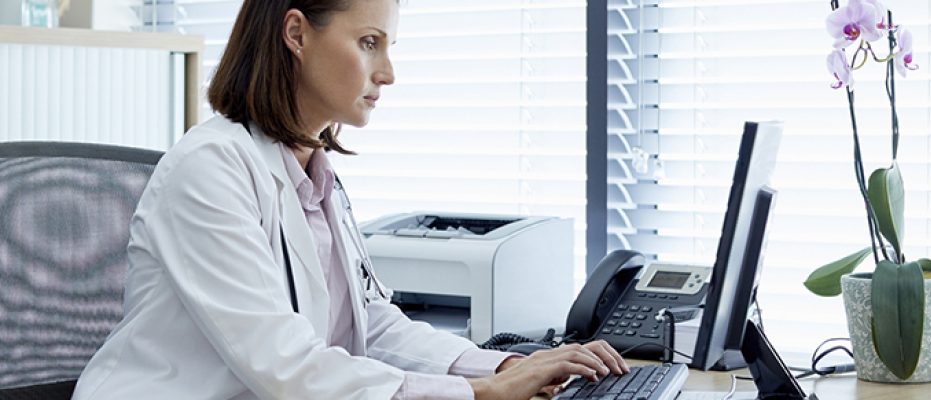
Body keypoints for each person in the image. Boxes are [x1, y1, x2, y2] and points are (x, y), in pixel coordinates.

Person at [71, 1, 628, 399]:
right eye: (368, 43)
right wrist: (481, 394)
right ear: (297, 33)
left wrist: (508, 364)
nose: (387, 72)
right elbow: (286, 364)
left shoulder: (317, 175)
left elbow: (370, 324)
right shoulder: (209, 170)